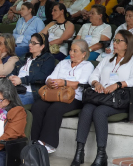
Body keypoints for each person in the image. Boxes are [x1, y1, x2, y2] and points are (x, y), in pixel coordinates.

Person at [71, 30, 133, 166]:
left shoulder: (132, 60)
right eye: (114, 40)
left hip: (119, 100)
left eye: (118, 41)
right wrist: (96, 83)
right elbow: (93, 75)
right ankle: (79, 152)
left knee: (99, 112)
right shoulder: (107, 59)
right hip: (101, 97)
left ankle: (101, 155)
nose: (114, 44)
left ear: (127, 45)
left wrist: (118, 84)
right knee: (86, 109)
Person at [31, 39, 94, 154]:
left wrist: (64, 83)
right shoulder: (63, 63)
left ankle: (48, 143)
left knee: (55, 108)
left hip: (74, 97)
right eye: (70, 50)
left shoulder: (87, 65)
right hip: (55, 94)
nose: (71, 53)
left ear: (84, 54)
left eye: (75, 51)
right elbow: (50, 77)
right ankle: (34, 141)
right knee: (37, 106)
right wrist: (50, 82)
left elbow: (82, 83)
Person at [9, 33, 55, 105]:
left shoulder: (48, 59)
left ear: (42, 46)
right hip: (17, 88)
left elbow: (43, 76)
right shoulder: (25, 56)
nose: (30, 45)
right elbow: (15, 69)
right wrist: (11, 76)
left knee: (10, 103)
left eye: (34, 43)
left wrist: (21, 80)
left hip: (32, 92)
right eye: (30, 42)